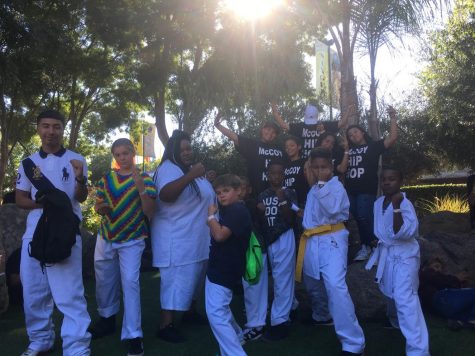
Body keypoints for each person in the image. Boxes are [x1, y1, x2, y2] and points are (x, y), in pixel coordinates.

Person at [15, 109, 91, 356]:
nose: (51, 131)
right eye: (45, 126)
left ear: (62, 130)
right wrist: (48, 203)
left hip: (66, 232)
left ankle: (77, 347)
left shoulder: (76, 158)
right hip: (35, 233)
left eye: (56, 126)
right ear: (38, 129)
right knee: (34, 292)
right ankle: (40, 341)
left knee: (70, 293)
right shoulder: (28, 164)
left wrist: (80, 179)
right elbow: (21, 199)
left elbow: (80, 197)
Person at [88, 138, 157, 356]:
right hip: (106, 236)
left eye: (125, 153)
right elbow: (98, 205)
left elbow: (150, 212)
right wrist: (102, 209)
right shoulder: (107, 179)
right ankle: (107, 320)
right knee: (104, 280)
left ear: (132, 152)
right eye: (117, 154)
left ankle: (134, 334)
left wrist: (140, 189)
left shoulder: (146, 179)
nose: (121, 158)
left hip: (133, 238)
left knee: (130, 283)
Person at [297, 148, 365, 356]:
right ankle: (322, 315)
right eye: (315, 167)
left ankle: (354, 344)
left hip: (332, 240)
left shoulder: (336, 187)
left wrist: (320, 184)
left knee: (335, 286)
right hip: (312, 241)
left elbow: (334, 210)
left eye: (323, 167)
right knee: (312, 282)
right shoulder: (312, 190)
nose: (319, 172)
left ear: (331, 167)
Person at [151, 130, 215, 343]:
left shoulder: (185, 169)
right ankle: (165, 324)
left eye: (189, 148)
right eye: (183, 149)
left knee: (194, 279)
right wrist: (191, 175)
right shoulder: (168, 168)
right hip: (177, 239)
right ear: (173, 152)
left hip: (196, 238)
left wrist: (202, 178)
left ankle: (189, 312)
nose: (188, 152)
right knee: (174, 281)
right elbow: (166, 195)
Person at [365, 166, 429, 356]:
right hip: (388, 254)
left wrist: (397, 206)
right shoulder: (378, 203)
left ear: (400, 182)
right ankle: (394, 322)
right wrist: (379, 239)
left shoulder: (404, 203)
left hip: (404, 256)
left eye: (391, 179)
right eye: (383, 179)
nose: (386, 182)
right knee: (391, 293)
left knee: (406, 299)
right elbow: (383, 230)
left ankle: (419, 351)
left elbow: (404, 233)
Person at [205, 174, 253, 356]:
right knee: (220, 308)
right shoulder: (230, 211)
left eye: (226, 191)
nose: (222, 195)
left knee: (216, 313)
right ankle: (237, 336)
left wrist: (211, 217)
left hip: (224, 268)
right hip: (221, 266)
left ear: (239, 191)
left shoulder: (236, 211)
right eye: (218, 192)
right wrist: (214, 221)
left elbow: (219, 235)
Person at [346, 106, 398, 261]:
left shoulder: (373, 147)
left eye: (355, 131)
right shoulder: (347, 151)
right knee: (357, 217)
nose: (353, 135)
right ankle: (367, 245)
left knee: (364, 217)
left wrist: (393, 118)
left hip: (366, 189)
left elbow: (393, 138)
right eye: (350, 134)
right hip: (350, 190)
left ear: (362, 132)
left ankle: (372, 246)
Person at [257, 160, 297, 341]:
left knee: (282, 279)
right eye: (273, 173)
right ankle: (292, 307)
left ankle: (279, 322)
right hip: (268, 240)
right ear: (268, 174)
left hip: (284, 237)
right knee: (278, 278)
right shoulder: (262, 195)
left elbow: (290, 219)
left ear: (284, 175)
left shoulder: (290, 192)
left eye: (280, 173)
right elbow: (260, 220)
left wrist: (282, 200)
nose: (276, 176)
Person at [214, 112, 283, 198]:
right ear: (262, 129)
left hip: (277, 194)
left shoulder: (280, 150)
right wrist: (218, 125)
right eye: (268, 129)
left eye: (274, 132)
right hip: (255, 194)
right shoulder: (252, 145)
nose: (270, 133)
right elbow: (234, 136)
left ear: (276, 136)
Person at [239, 176, 268, 343]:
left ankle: (256, 325)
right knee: (251, 286)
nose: (240, 191)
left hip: (255, 249)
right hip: (249, 250)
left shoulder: (250, 204)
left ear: (249, 189)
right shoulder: (245, 205)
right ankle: (255, 321)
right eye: (237, 188)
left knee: (254, 286)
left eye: (243, 188)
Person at [272, 103, 351, 158]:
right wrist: (275, 113)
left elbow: (342, 123)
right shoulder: (300, 126)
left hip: (320, 158)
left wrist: (348, 110)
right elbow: (284, 125)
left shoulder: (323, 125)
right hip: (304, 160)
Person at [419, 257, 475, 330]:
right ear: (425, 267)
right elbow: (439, 279)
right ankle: (470, 320)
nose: (439, 270)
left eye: (441, 268)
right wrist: (456, 278)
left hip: (441, 309)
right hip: (440, 298)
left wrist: (460, 284)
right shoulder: (425, 273)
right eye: (436, 266)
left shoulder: (436, 279)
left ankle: (461, 322)